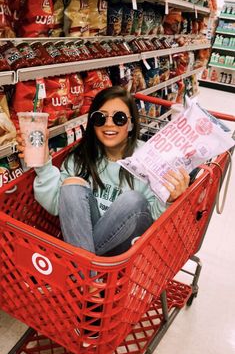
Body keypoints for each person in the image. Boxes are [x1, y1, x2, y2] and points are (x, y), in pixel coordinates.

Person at [17, 86, 190, 257]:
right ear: (92, 123)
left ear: (130, 124)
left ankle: (80, 272)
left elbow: (152, 218)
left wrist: (169, 199)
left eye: (119, 118)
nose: (108, 124)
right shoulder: (81, 156)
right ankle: (87, 276)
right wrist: (43, 163)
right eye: (100, 118)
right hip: (84, 244)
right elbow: (58, 206)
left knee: (133, 199)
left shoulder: (148, 159)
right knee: (71, 184)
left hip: (126, 251)